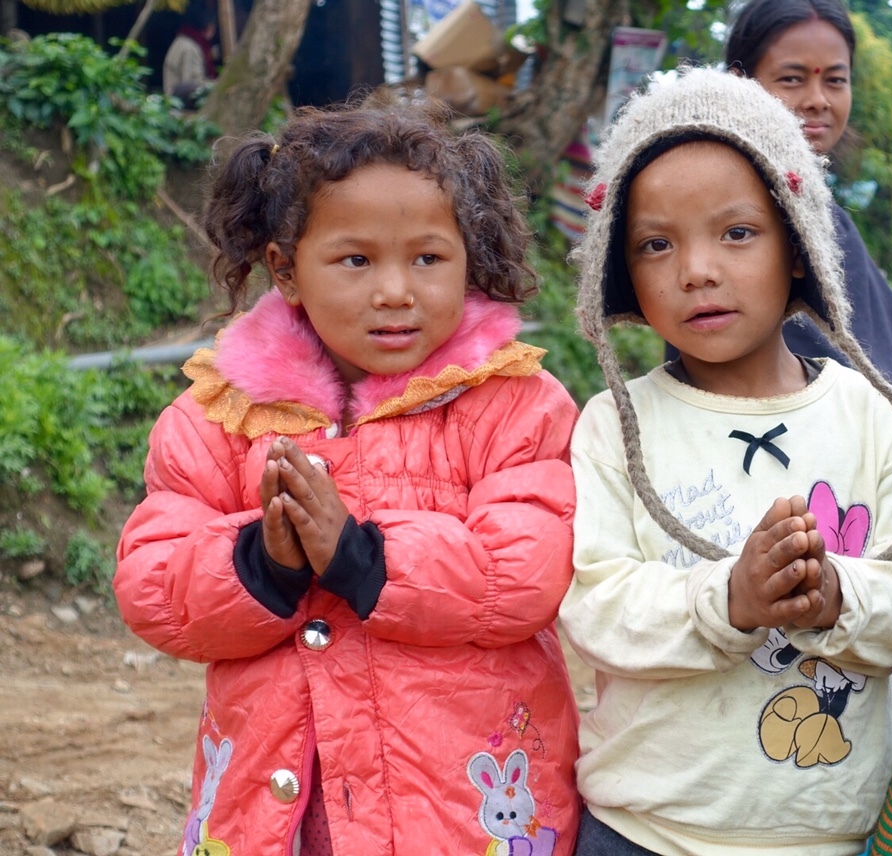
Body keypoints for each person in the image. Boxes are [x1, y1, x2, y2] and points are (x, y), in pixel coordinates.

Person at [114, 102, 581, 855]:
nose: (396, 290)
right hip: (280, 813)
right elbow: (151, 584)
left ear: (470, 257)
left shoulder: (513, 405)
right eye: (355, 260)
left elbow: (527, 572)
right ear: (284, 269)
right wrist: (262, 563)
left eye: (428, 258)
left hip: (461, 814)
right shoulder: (219, 415)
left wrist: (358, 552)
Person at [562, 67, 892, 856]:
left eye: (737, 232)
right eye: (656, 244)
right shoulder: (610, 427)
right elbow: (595, 610)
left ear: (798, 247)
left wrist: (833, 594)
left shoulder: (875, 419)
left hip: (835, 831)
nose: (697, 269)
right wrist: (730, 598)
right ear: (622, 272)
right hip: (643, 829)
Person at [718, 0, 892, 461]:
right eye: (792, 78)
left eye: (835, 80)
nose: (818, 98)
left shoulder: (825, 216)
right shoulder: (724, 214)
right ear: (741, 84)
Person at [163, 4, 218, 107]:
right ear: (209, 28)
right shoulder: (190, 48)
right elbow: (191, 84)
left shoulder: (182, 41)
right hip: (179, 105)